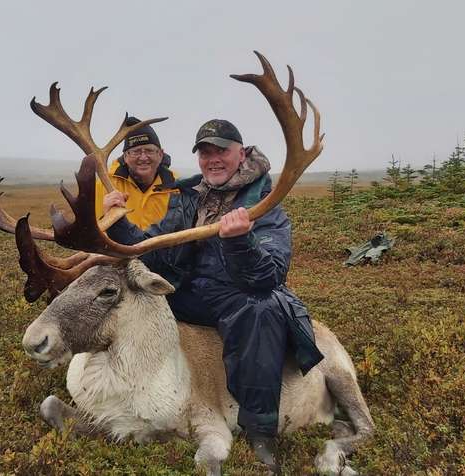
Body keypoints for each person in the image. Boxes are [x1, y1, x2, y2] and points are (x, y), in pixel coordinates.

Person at [103, 119, 324, 471]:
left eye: (221, 150)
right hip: (191, 292)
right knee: (134, 292)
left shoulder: (265, 204)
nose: (213, 159)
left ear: (241, 152)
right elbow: (153, 252)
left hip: (238, 297)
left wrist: (241, 240)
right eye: (205, 152)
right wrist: (117, 222)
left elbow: (268, 276)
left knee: (261, 310)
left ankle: (261, 432)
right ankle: (127, 392)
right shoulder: (190, 198)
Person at [94, 116, 178, 230]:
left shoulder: (177, 188)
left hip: (164, 248)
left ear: (160, 154)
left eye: (149, 150)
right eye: (136, 151)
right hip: (114, 247)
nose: (143, 157)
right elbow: (89, 233)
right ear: (125, 156)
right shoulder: (104, 186)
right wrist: (106, 216)